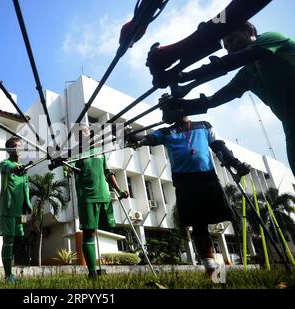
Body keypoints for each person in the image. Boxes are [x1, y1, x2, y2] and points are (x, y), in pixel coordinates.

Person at [160, 22, 295, 173]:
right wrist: (178, 105)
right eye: (226, 46)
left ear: (249, 31)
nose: (230, 48)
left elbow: (231, 61)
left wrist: (183, 76)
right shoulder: (247, 74)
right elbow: (214, 100)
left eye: (231, 40)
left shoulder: (272, 39)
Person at [126, 114, 249, 276]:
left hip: (207, 177)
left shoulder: (204, 125)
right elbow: (149, 138)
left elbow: (219, 147)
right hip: (184, 181)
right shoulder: (166, 131)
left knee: (214, 219)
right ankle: (210, 269)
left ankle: (215, 271)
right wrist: (132, 137)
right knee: (199, 225)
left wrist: (237, 164)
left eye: (177, 109)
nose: (173, 112)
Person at [71, 124, 129, 278]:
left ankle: (97, 269)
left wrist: (119, 190)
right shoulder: (74, 154)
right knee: (89, 232)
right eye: (79, 133)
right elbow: (70, 169)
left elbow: (108, 173)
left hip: (103, 195)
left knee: (103, 229)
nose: (82, 134)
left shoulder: (100, 151)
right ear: (76, 137)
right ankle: (92, 272)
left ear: (89, 133)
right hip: (87, 197)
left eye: (85, 131)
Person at [0, 137, 32, 283]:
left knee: (19, 239)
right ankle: (8, 275)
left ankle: (11, 269)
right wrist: (15, 168)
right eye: (14, 146)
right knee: (8, 240)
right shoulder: (5, 164)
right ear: (8, 149)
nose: (17, 148)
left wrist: (28, 204)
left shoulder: (24, 169)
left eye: (19, 145)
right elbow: (8, 169)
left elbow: (25, 188)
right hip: (8, 208)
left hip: (21, 212)